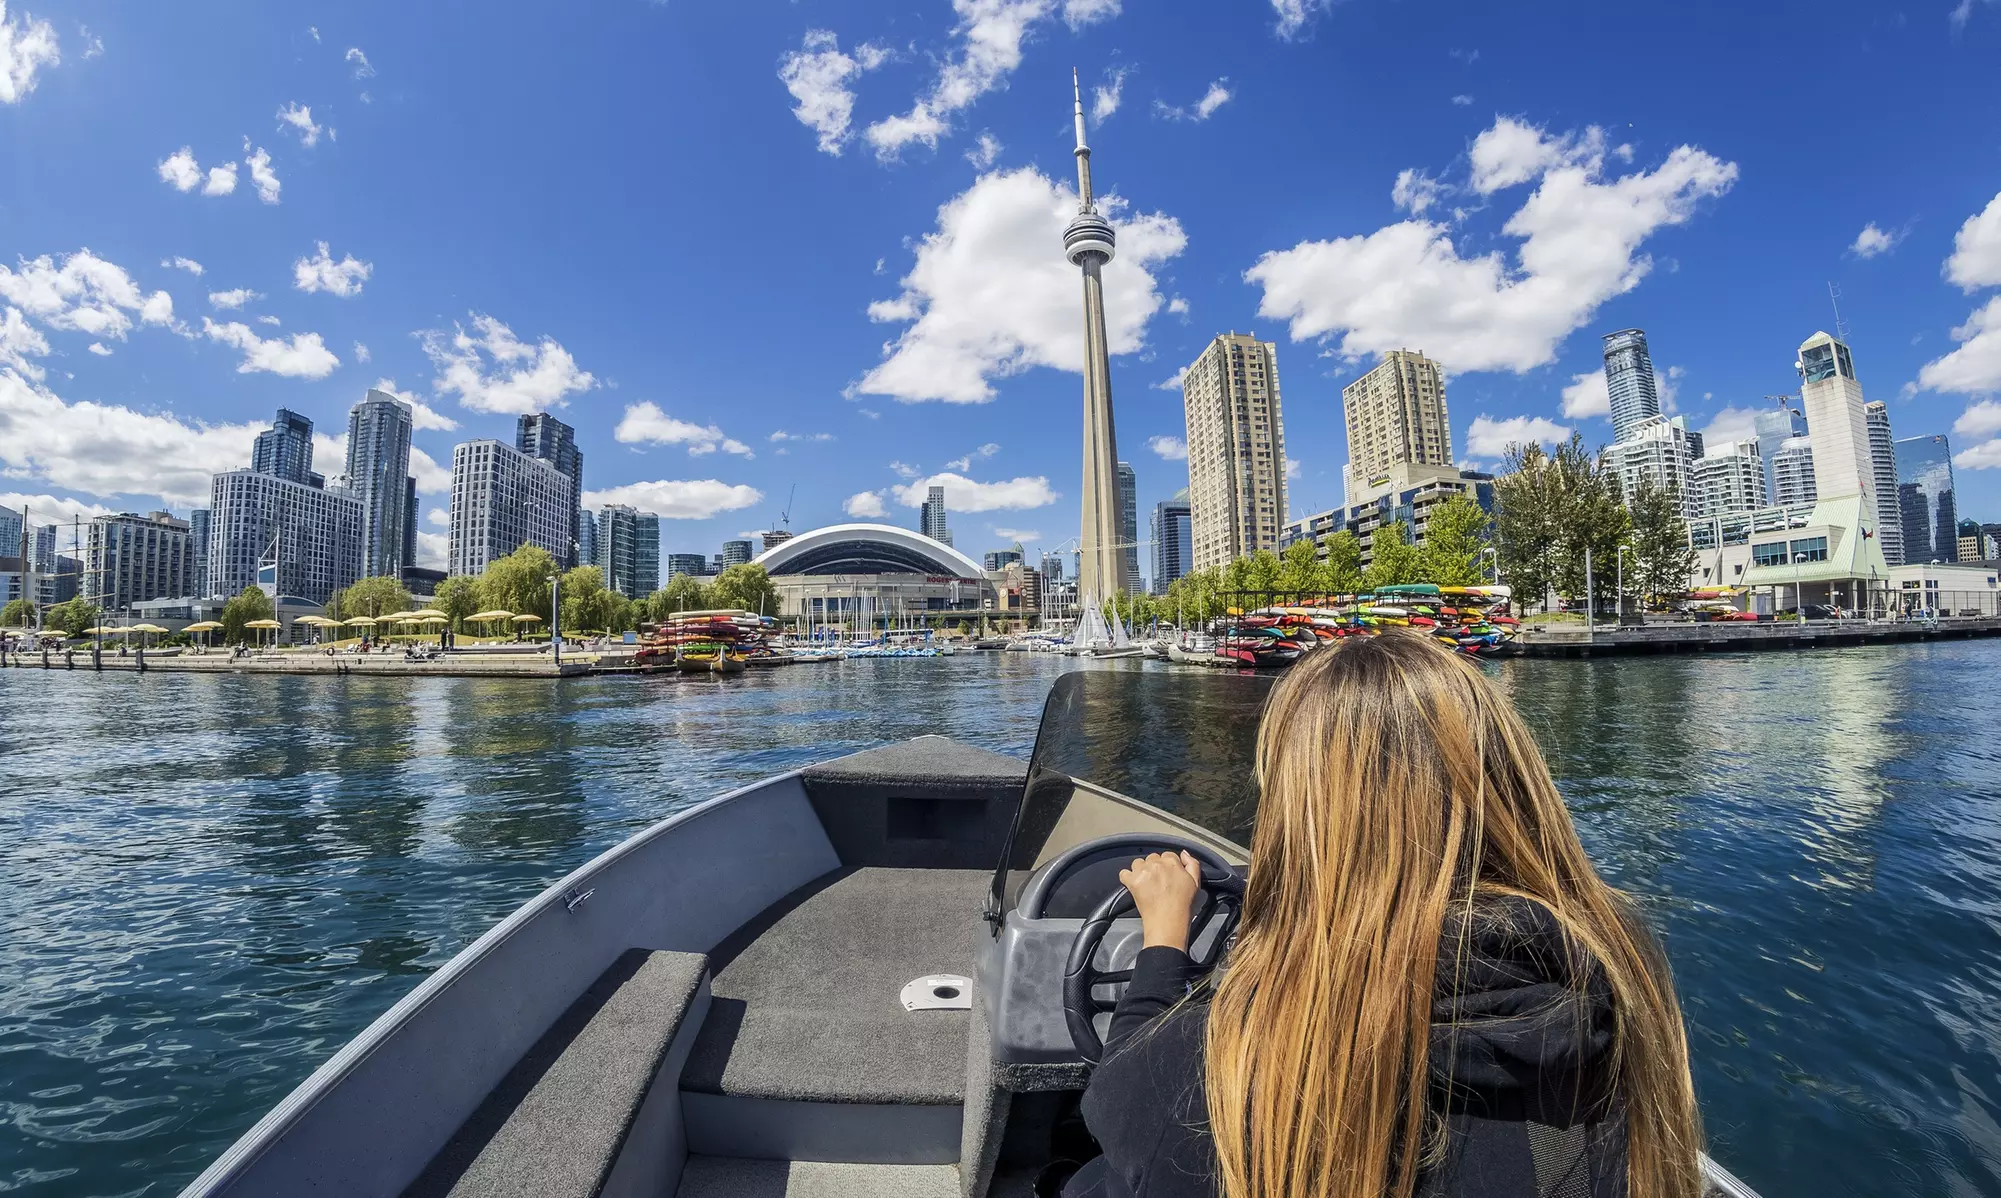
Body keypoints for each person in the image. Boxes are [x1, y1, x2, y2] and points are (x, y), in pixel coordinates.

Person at [1065, 630, 1703, 1198]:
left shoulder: (1226, 1072)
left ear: (1300, 825)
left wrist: (1164, 941)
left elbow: (1118, 1094)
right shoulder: (1617, 984)